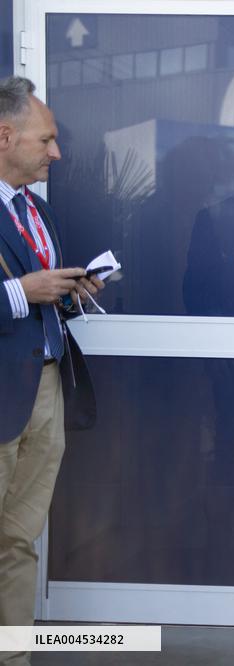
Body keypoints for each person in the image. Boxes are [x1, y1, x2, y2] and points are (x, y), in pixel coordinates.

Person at [0, 76, 104, 664]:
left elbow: (42, 297)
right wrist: (23, 291)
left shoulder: (36, 208)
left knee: (18, 541)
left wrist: (70, 291)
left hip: (43, 390)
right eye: (47, 140)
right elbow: (19, 293)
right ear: (5, 135)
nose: (56, 153)